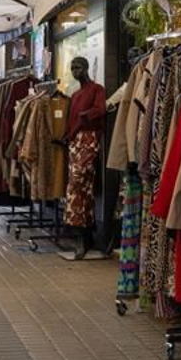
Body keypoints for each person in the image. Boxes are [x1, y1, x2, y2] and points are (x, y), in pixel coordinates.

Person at [60, 56, 107, 261]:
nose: (75, 71)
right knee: (78, 188)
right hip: (75, 143)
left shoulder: (97, 89)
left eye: (78, 67)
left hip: (88, 141)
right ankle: (83, 235)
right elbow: (71, 120)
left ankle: (83, 235)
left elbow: (101, 110)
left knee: (79, 185)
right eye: (72, 68)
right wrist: (68, 136)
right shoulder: (76, 94)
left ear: (86, 68)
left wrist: (84, 117)